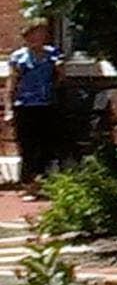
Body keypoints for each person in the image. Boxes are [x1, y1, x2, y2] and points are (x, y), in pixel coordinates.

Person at [6, 25, 59, 185]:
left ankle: (42, 179)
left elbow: (60, 78)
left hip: (46, 103)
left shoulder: (53, 54)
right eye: (35, 34)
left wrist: (59, 69)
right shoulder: (19, 57)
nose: (39, 37)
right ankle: (28, 182)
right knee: (27, 145)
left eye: (42, 34)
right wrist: (9, 109)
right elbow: (12, 83)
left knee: (46, 143)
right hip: (25, 105)